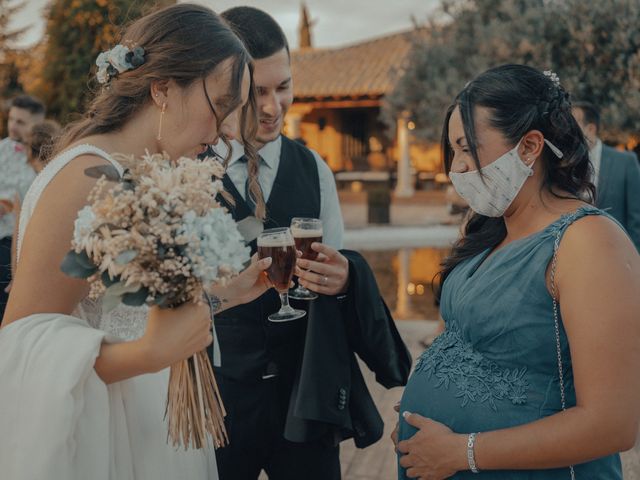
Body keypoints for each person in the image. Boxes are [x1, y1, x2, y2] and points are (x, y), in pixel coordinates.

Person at [0, 4, 276, 479]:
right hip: (107, 441)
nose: (228, 131)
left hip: (155, 432)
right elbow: (21, 349)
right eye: (221, 106)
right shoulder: (84, 177)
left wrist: (227, 293)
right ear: (163, 88)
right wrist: (149, 355)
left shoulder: (151, 172)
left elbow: (125, 309)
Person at [392, 65, 640, 479]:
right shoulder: (488, 232)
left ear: (528, 148)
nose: (457, 167)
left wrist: (462, 451)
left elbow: (612, 424)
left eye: (468, 148)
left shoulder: (588, 243)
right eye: (453, 151)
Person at [212, 7, 411, 480]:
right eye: (257, 91)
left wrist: (343, 278)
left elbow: (333, 268)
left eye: (283, 87)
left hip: (304, 397)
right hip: (217, 402)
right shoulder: (189, 172)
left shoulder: (316, 170)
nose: (272, 106)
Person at [572, 101, 640, 251]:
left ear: (590, 129)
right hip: (576, 253)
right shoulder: (565, 163)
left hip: (618, 253)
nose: (568, 130)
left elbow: (636, 218)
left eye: (573, 124)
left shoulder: (626, 162)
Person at [0, 95, 44, 316]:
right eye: (11, 119)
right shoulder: (1, 150)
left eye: (21, 122)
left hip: (20, 245)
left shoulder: (41, 159)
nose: (13, 126)